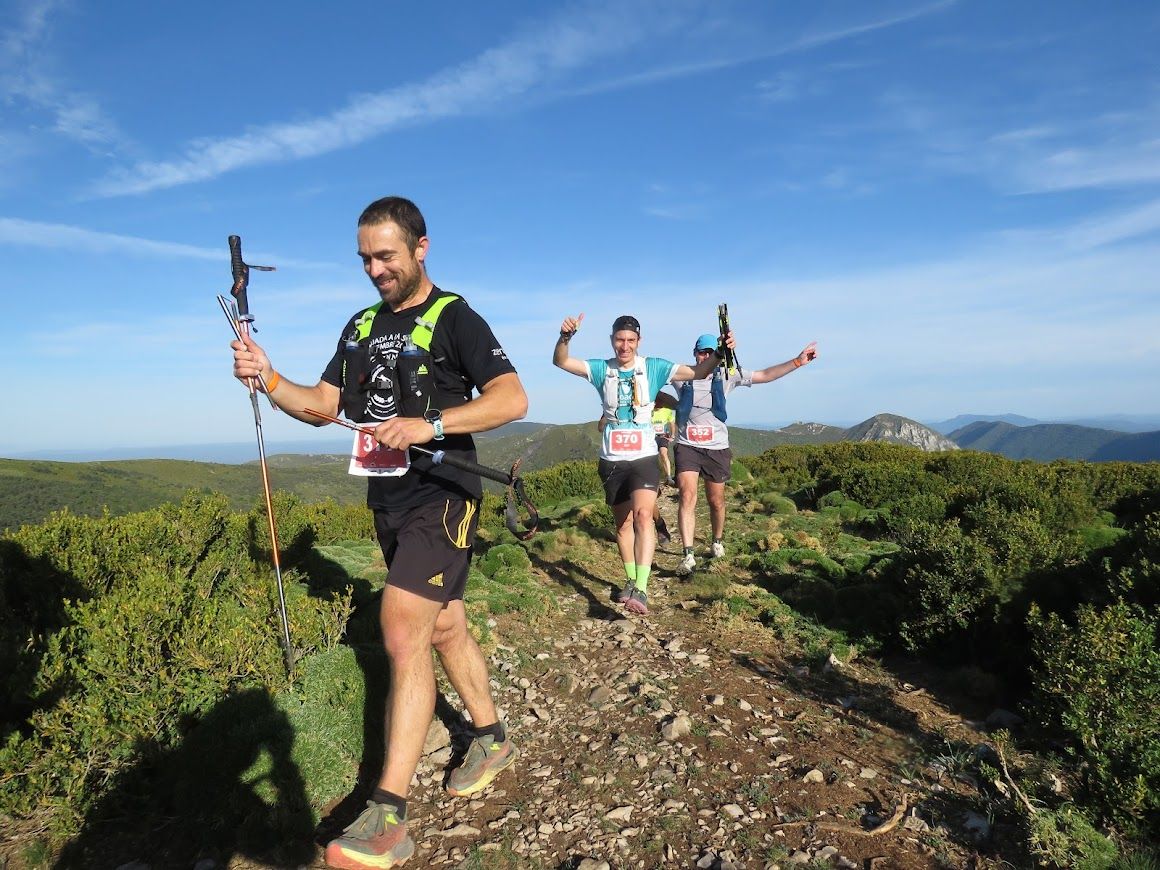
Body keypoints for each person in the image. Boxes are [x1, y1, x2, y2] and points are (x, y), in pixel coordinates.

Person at [231, 196, 528, 870]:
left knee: (400, 630)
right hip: (388, 501)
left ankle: (387, 813)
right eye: (365, 257)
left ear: (421, 248)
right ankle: (491, 736)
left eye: (386, 255)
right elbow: (322, 406)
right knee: (442, 626)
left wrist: (431, 424)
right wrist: (269, 377)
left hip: (445, 497)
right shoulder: (360, 325)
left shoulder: (455, 317)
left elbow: (513, 398)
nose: (375, 269)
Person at [553, 313, 729, 615]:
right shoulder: (600, 369)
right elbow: (562, 362)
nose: (625, 346)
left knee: (644, 516)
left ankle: (643, 589)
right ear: (612, 340)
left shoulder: (655, 367)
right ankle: (631, 580)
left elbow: (700, 372)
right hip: (611, 460)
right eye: (620, 340)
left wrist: (722, 352)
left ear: (639, 341)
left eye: (631, 341)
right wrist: (565, 338)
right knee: (622, 526)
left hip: (644, 457)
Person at [674, 332, 817, 574]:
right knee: (687, 496)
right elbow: (650, 380)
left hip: (716, 447)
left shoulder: (727, 374)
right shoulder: (682, 375)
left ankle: (716, 542)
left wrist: (796, 362)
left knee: (716, 501)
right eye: (702, 352)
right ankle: (688, 554)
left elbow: (765, 375)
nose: (706, 357)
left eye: (711, 352)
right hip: (687, 445)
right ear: (695, 353)